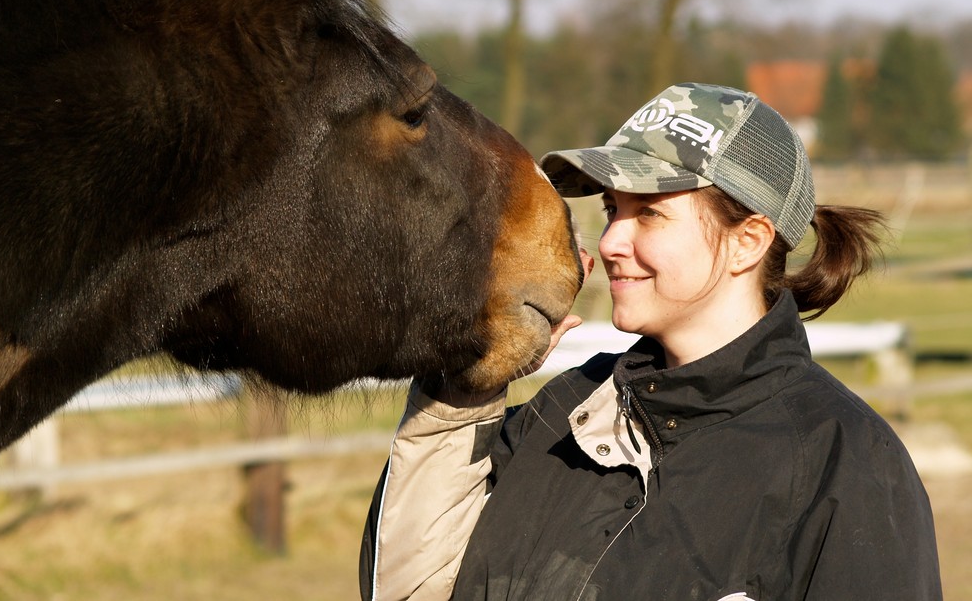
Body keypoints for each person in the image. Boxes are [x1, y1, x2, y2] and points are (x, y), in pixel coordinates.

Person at [359, 82, 942, 601]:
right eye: (614, 209)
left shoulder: (844, 460)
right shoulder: (567, 409)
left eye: (650, 213)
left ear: (748, 241)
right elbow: (406, 586)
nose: (611, 240)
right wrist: (465, 391)